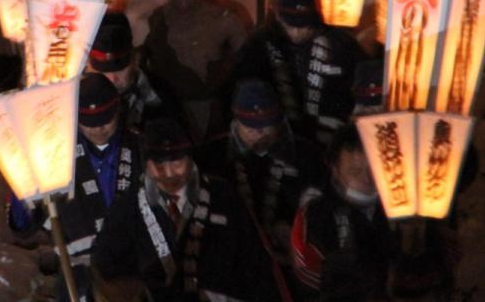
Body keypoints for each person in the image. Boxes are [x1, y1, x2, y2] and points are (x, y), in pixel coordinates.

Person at [92, 118, 276, 301]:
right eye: (159, 166)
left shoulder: (223, 196)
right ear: (146, 164)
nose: (169, 174)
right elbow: (106, 269)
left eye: (177, 163)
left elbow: (255, 266)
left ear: (190, 158)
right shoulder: (127, 207)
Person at [9, 74, 144, 301]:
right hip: (78, 277)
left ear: (118, 111)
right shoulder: (54, 157)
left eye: (106, 120)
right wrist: (18, 184)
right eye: (89, 123)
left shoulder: (140, 148)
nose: (99, 128)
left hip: (131, 277)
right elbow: (23, 226)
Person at [197, 79, 323, 268]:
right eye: (250, 128)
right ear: (235, 121)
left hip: (294, 257)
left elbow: (319, 208)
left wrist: (295, 231)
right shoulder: (211, 157)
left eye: (265, 127)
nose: (259, 134)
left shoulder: (305, 155)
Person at [230, 0, 361, 149]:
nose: (297, 32)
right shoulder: (261, 44)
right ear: (278, 15)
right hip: (278, 137)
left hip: (332, 136)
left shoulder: (340, 44)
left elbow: (358, 87)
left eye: (304, 25)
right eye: (290, 24)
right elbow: (241, 87)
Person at [143, 0, 248, 141]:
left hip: (213, 111)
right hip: (166, 110)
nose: (183, 3)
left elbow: (247, 69)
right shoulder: (155, 20)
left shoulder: (225, 21)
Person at [290, 124, 392, 299]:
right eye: (355, 171)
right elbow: (308, 281)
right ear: (335, 169)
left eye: (373, 169)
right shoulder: (315, 216)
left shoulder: (402, 203)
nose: (367, 179)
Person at [86, 12, 169, 131]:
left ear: (135, 59)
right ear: (88, 65)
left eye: (120, 69)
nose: (113, 79)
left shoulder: (157, 95)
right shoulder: (70, 100)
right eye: (103, 71)